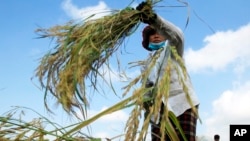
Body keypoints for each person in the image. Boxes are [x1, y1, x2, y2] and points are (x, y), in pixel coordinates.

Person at [136, 2, 200, 141]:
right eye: (151, 34)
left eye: (158, 32)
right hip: (159, 111)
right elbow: (146, 87)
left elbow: (178, 35)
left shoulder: (173, 48)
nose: (156, 35)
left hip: (183, 103)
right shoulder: (146, 64)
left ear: (165, 35)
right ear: (147, 41)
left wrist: (154, 19)